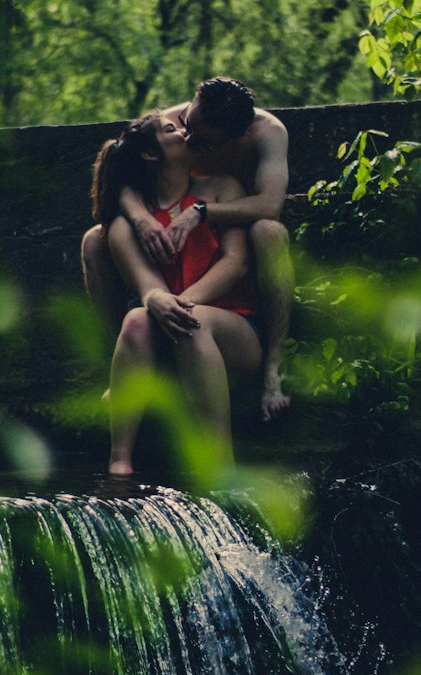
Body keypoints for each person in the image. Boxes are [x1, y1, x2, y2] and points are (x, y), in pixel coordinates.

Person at [82, 78, 292, 421]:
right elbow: (120, 166)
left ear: (231, 138)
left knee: (271, 233)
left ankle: (275, 367)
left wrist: (201, 213)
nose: (187, 137)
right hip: (173, 248)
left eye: (200, 139)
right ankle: (118, 363)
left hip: (233, 242)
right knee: (95, 239)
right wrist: (140, 219)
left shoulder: (268, 133)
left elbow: (270, 206)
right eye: (186, 126)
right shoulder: (175, 122)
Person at [91, 111, 264, 476]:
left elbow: (236, 263)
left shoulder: (222, 187)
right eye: (172, 129)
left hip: (235, 335)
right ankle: (119, 461)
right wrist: (154, 299)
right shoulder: (129, 222)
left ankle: (220, 464)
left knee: (193, 320)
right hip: (168, 336)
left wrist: (183, 303)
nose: (185, 131)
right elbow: (145, 282)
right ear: (151, 155)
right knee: (136, 319)